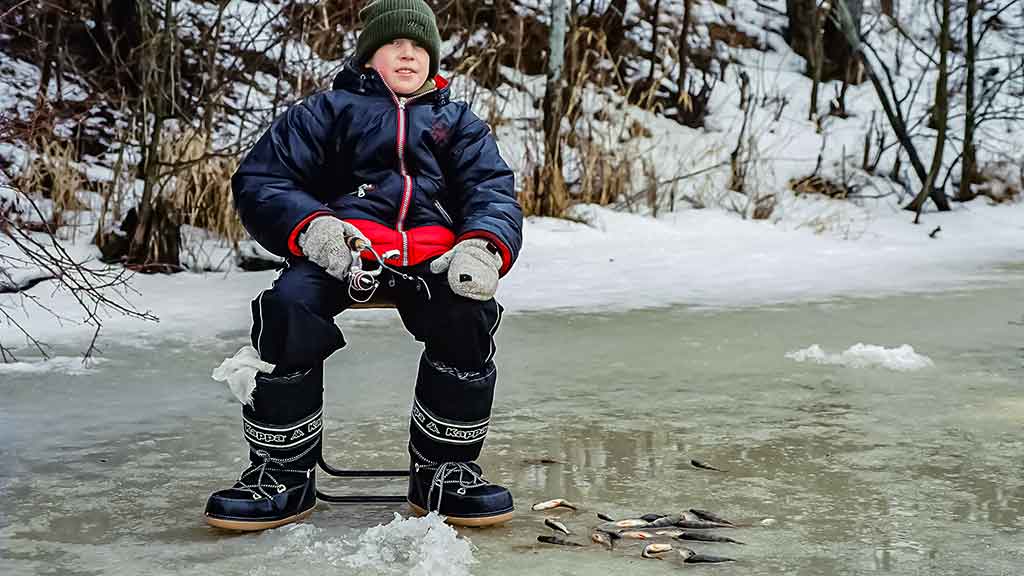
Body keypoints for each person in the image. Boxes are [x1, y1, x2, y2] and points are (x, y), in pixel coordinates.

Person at [204, 0, 522, 531]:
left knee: (468, 313)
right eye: (395, 44)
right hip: (344, 252)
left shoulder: (458, 122)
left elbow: (493, 191)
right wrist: (314, 228)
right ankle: (282, 473)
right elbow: (263, 181)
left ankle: (445, 470)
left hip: (433, 259)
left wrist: (481, 246)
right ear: (368, 56)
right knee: (288, 307)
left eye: (420, 46)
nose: (409, 54)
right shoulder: (326, 111)